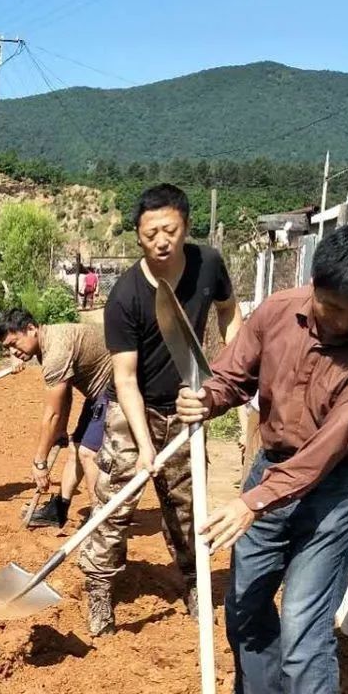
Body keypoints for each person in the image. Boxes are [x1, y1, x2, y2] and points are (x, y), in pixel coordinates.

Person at [178, 223, 348, 694]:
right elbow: (233, 378)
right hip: (272, 465)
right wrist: (204, 400)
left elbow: (331, 445)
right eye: (330, 306)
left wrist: (252, 502)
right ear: (313, 282)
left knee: (304, 613)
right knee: (245, 599)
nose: (339, 321)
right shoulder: (277, 311)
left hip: (337, 483)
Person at [77, 183, 240, 636]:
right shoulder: (126, 296)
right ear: (138, 237)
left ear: (186, 226)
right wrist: (146, 446)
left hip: (190, 410)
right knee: (115, 506)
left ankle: (193, 584)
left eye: (170, 230)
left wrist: (224, 375)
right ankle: (100, 591)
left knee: (188, 509)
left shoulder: (209, 264)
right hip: (136, 412)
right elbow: (124, 379)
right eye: (150, 234)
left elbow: (230, 314)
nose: (161, 241)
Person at [0, 307, 111, 529]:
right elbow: (64, 394)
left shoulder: (55, 351)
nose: (13, 352)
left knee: (88, 452)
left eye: (14, 343)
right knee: (77, 447)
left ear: (31, 329)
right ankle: (59, 510)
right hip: (99, 392)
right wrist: (60, 431)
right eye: (8, 348)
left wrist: (40, 461)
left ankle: (102, 519)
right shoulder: (47, 343)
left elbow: (52, 413)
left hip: (117, 388)